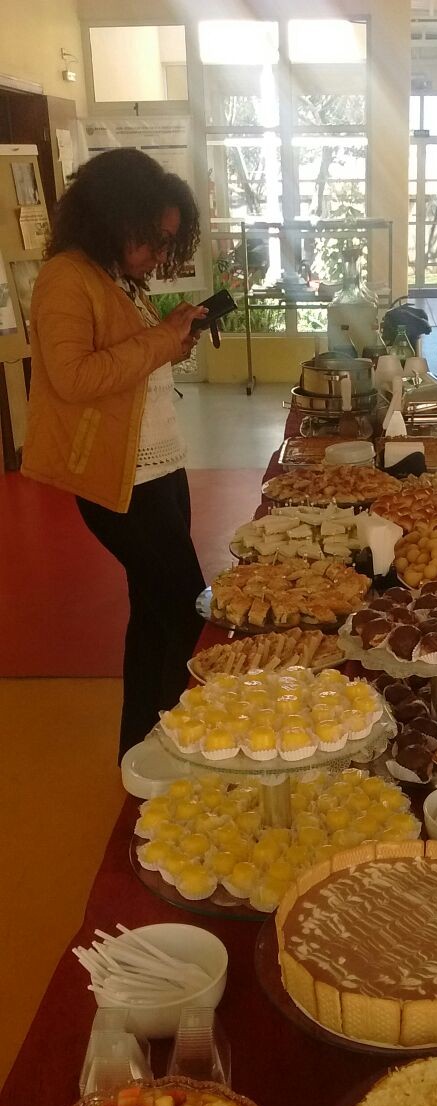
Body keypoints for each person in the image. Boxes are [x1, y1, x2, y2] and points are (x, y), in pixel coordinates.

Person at [22, 147, 209, 761]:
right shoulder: (65, 277)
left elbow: (133, 361)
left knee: (153, 612)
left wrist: (173, 340)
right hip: (120, 479)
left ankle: (139, 750)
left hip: (161, 466)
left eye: (167, 242)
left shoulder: (115, 276)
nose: (159, 254)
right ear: (115, 216)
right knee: (188, 613)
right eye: (155, 239)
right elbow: (73, 377)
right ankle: (185, 751)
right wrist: (159, 339)